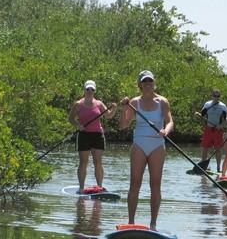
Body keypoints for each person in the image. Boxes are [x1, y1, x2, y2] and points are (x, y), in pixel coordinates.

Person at [119, 70, 174, 231]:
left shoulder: (163, 101)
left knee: (155, 184)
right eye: (145, 81)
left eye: (150, 81)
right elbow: (123, 125)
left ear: (153, 83)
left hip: (157, 144)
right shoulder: (134, 102)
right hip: (139, 144)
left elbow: (170, 121)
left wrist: (166, 130)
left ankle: (153, 224)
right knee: (135, 183)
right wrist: (123, 110)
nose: (148, 83)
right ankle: (130, 222)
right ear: (140, 85)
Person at [68, 80, 117, 194]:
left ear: (95, 91)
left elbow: (108, 115)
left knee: (98, 162)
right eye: (87, 89)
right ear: (84, 90)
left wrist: (114, 109)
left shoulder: (99, 104)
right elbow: (71, 119)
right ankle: (81, 187)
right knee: (83, 162)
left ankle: (99, 187)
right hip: (83, 134)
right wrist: (78, 125)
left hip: (97, 135)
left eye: (92, 90)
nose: (89, 91)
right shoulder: (78, 104)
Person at [194, 89, 227, 172]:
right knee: (205, 148)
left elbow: (225, 119)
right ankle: (202, 166)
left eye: (218, 96)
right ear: (212, 96)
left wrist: (221, 125)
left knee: (218, 149)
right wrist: (198, 114)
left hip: (217, 130)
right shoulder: (207, 104)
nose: (216, 98)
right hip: (208, 129)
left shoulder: (223, 106)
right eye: (215, 96)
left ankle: (218, 168)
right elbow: (202, 114)